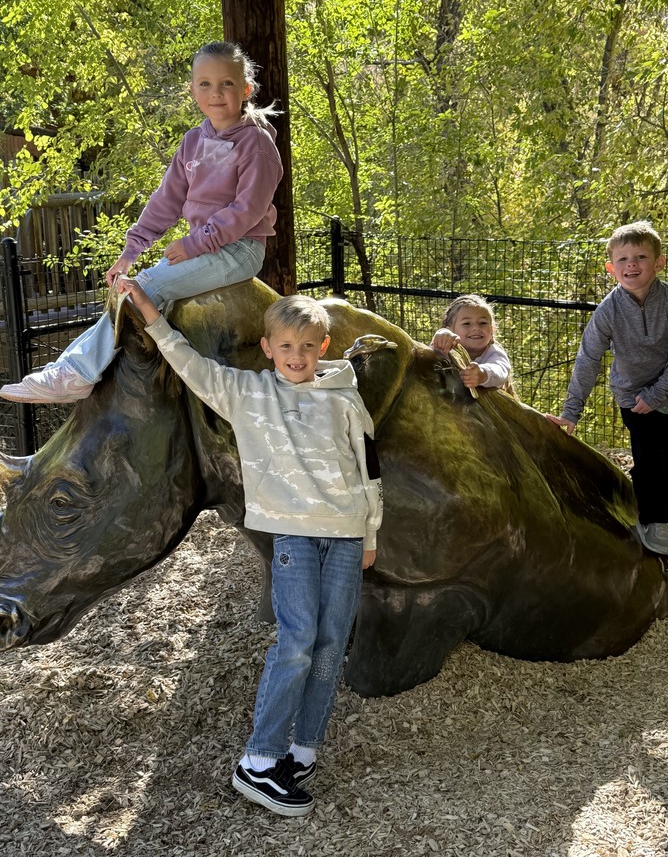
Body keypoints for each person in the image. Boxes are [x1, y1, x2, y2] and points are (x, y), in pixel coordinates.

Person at [117, 281, 383, 817]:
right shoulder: (249, 394)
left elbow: (369, 469)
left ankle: (302, 751)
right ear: (267, 349)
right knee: (298, 640)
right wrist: (147, 309)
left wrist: (370, 534)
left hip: (348, 534)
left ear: (323, 348)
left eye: (307, 346)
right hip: (294, 536)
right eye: (285, 346)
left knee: (333, 645)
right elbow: (187, 362)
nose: (296, 356)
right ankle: (258, 762)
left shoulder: (347, 401)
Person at [1, 41, 282, 404]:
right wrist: (130, 252)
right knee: (127, 287)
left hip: (238, 249)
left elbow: (247, 210)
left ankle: (77, 373)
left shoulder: (256, 144)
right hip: (207, 246)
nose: (216, 93)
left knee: (143, 288)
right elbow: (167, 200)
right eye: (205, 84)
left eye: (227, 84)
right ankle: (71, 369)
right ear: (192, 89)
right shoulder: (193, 141)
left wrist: (194, 244)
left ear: (245, 89)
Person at [545, 221, 668, 556]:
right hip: (632, 398)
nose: (632, 264)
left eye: (641, 256)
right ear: (611, 268)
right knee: (647, 461)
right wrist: (571, 413)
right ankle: (652, 518)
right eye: (624, 258)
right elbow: (588, 359)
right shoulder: (608, 311)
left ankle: (662, 510)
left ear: (659, 263)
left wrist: (657, 394)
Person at [430, 293, 513, 391]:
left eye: (483, 323)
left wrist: (482, 374)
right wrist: (441, 336)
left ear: (492, 330)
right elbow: (428, 361)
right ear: (451, 330)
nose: (476, 328)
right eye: (466, 323)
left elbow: (500, 370)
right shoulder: (448, 348)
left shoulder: (494, 353)